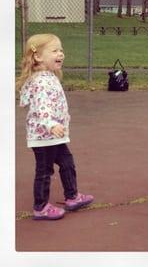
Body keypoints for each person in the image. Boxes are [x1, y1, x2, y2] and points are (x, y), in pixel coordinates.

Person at [16, 33, 94, 220]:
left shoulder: (48, 76)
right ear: (38, 56)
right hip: (44, 137)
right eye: (55, 51)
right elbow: (41, 107)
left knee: (67, 162)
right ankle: (40, 207)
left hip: (54, 135)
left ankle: (72, 196)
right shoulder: (41, 81)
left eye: (61, 50)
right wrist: (51, 124)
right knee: (44, 171)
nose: (61, 54)